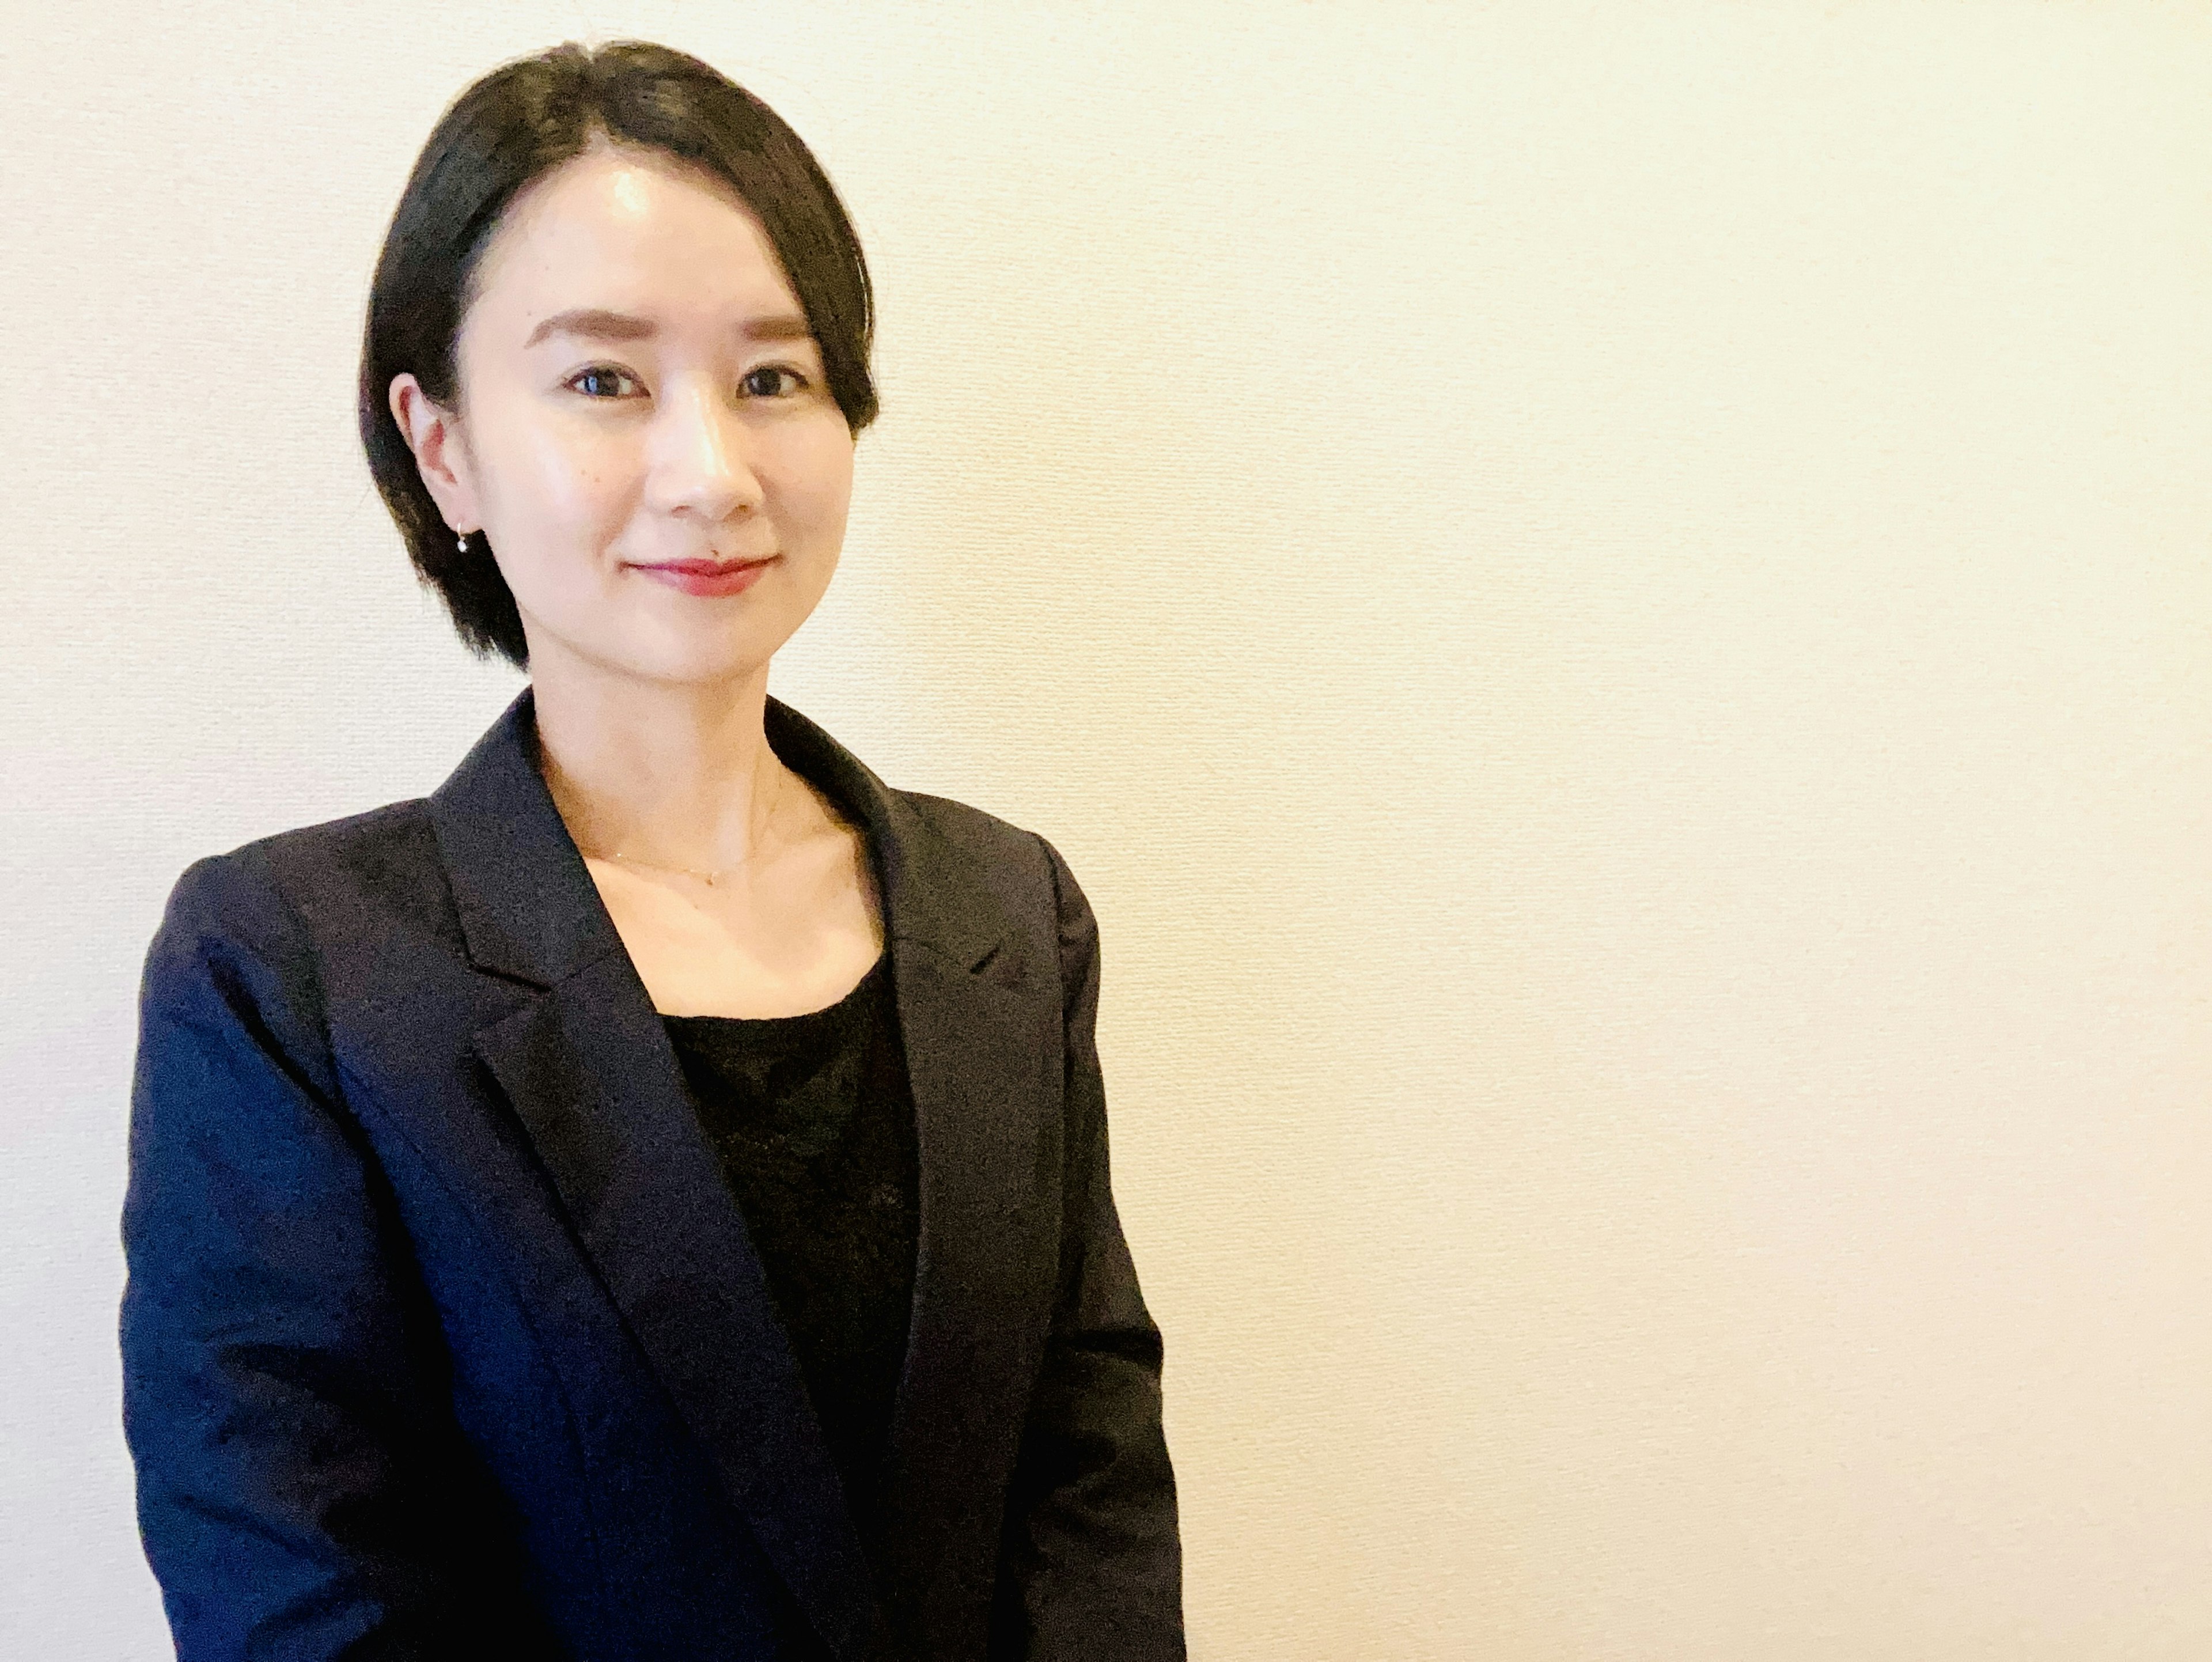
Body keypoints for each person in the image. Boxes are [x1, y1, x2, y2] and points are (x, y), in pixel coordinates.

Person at [119, 39, 1184, 1662]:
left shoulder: (1006, 917)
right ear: (445, 444)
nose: (714, 471)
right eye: (605, 380)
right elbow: (305, 1594)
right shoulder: (294, 972)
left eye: (774, 377)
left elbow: (1087, 1477)